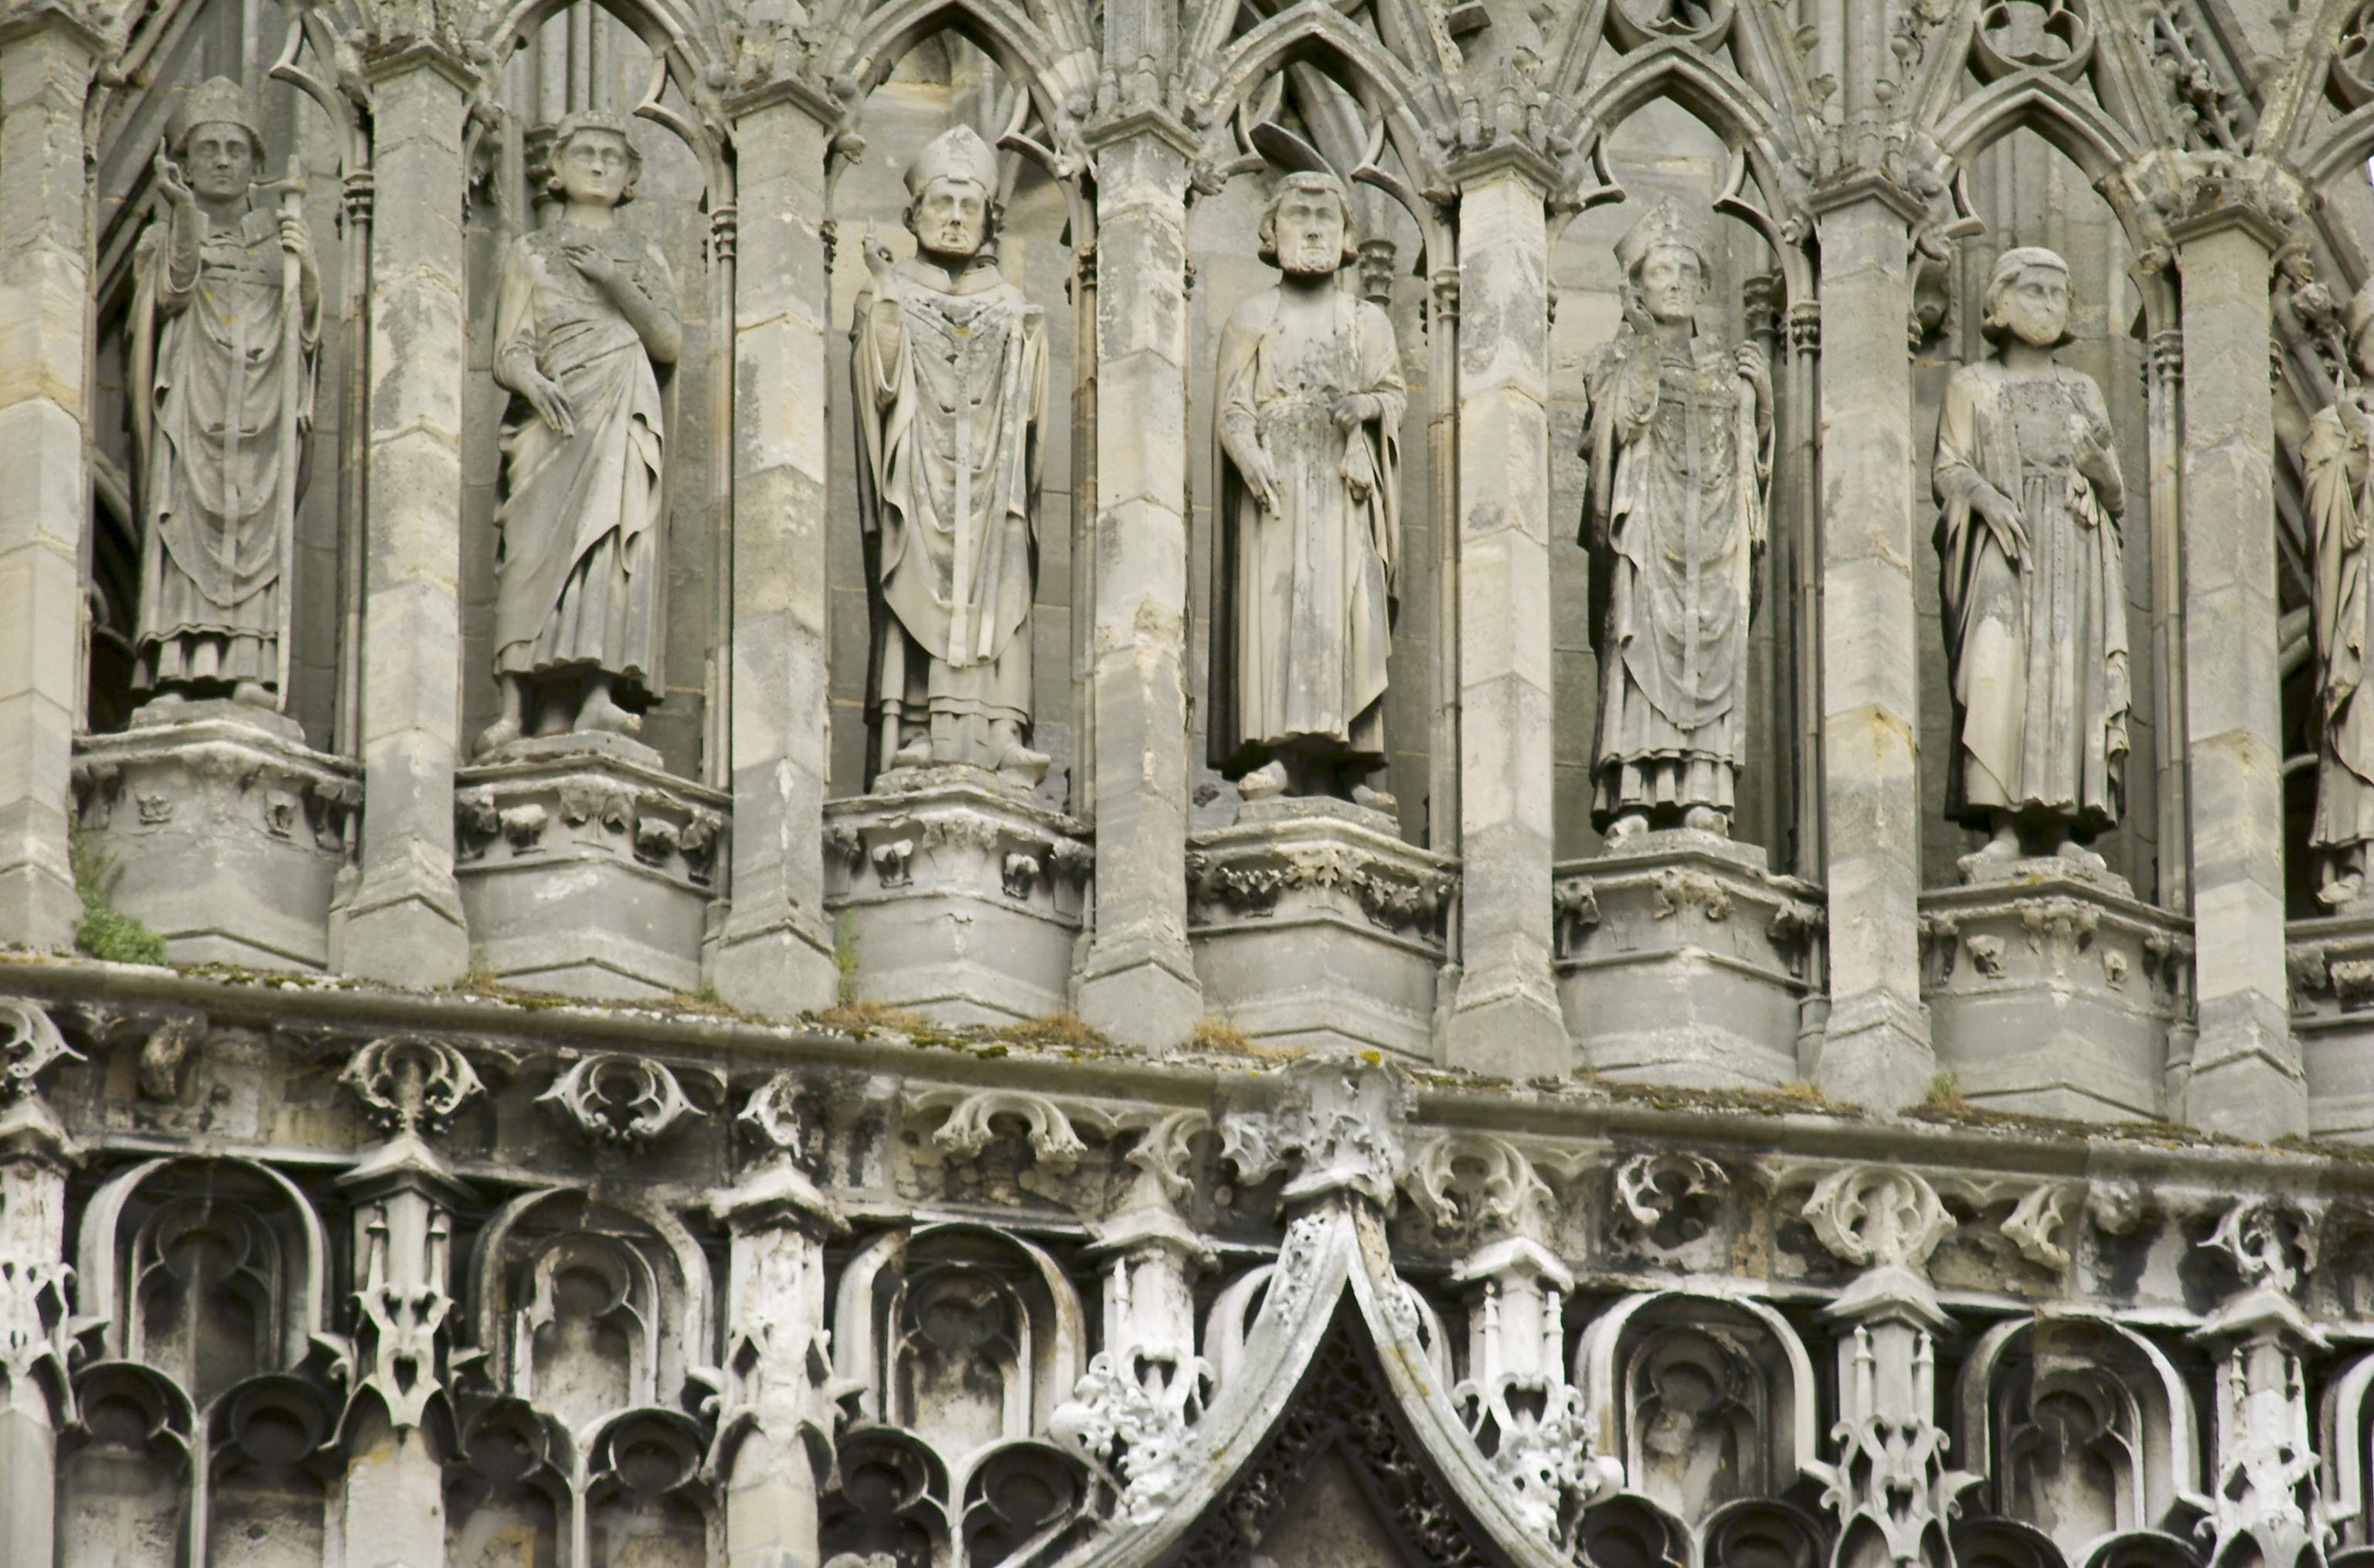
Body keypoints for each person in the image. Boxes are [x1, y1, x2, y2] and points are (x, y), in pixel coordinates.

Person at [852, 124, 1050, 784]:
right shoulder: (892, 290)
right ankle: (916, 729)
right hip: (921, 475)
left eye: (971, 206)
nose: (957, 217)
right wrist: (885, 291)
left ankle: (1001, 731)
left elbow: (1032, 412)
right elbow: (879, 385)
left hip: (995, 482)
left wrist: (1026, 346)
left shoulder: (1010, 302)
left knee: (1003, 583)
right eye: (943, 203)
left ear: (991, 218)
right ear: (914, 215)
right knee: (917, 579)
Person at [477, 110, 679, 753]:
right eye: (585, 152)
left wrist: (615, 280)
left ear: (630, 178)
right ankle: (515, 708)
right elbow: (510, 348)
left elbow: (668, 342)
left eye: (612, 157)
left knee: (609, 546)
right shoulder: (531, 251)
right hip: (551, 415)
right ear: (556, 169)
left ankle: (597, 693)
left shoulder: (644, 255)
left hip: (620, 401)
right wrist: (532, 382)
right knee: (529, 550)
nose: (598, 164)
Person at [1209, 171, 1406, 804]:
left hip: (1344, 487)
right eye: (1299, 216)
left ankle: (1347, 768)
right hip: (1278, 490)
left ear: (1347, 236)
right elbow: (1232, 406)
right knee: (1281, 614)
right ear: (1271, 232)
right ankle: (1281, 756)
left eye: (1327, 218)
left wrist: (1366, 408)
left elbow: (1393, 394)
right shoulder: (1251, 317)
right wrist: (1248, 454)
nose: (1314, 230)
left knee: (1346, 614)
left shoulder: (1366, 321)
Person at [1580, 198, 1770, 842]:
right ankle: (1633, 787)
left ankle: (1704, 791)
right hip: (1648, 532)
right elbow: (1617, 427)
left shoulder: (1727, 366)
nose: (1676, 282)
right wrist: (1640, 351)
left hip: (1715, 539)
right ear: (1637, 285)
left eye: (1688, 271)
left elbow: (1751, 466)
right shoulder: (1612, 361)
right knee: (1639, 642)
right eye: (1662, 270)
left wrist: (1763, 405)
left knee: (1713, 643)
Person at [1933, 246, 2129, 866]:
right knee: (1996, 670)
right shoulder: (1971, 384)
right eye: (2033, 291)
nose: (2047, 305)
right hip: (2003, 546)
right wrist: (1987, 499)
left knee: (2069, 674)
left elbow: (2116, 493)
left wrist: (2097, 469)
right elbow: (1947, 468)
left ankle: (2067, 826)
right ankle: (2005, 828)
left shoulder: (2082, 390)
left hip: (2075, 551)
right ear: (1999, 302)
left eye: (2057, 294)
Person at [130, 77, 319, 711]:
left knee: (256, 527)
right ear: (183, 164)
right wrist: (182, 214)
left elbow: (306, 331)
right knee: (183, 518)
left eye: (236, 149)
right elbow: (170, 294)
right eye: (206, 148)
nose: (221, 161)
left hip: (261, 412)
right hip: (192, 404)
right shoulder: (162, 238)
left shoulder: (278, 241)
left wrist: (306, 275)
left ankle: (248, 666)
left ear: (256, 165)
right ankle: (177, 667)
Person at [2303, 281, 2374, 910]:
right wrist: (2356, 445)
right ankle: (2357, 855)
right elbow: (2324, 514)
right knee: (2361, 708)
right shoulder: (2332, 422)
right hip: (2363, 596)